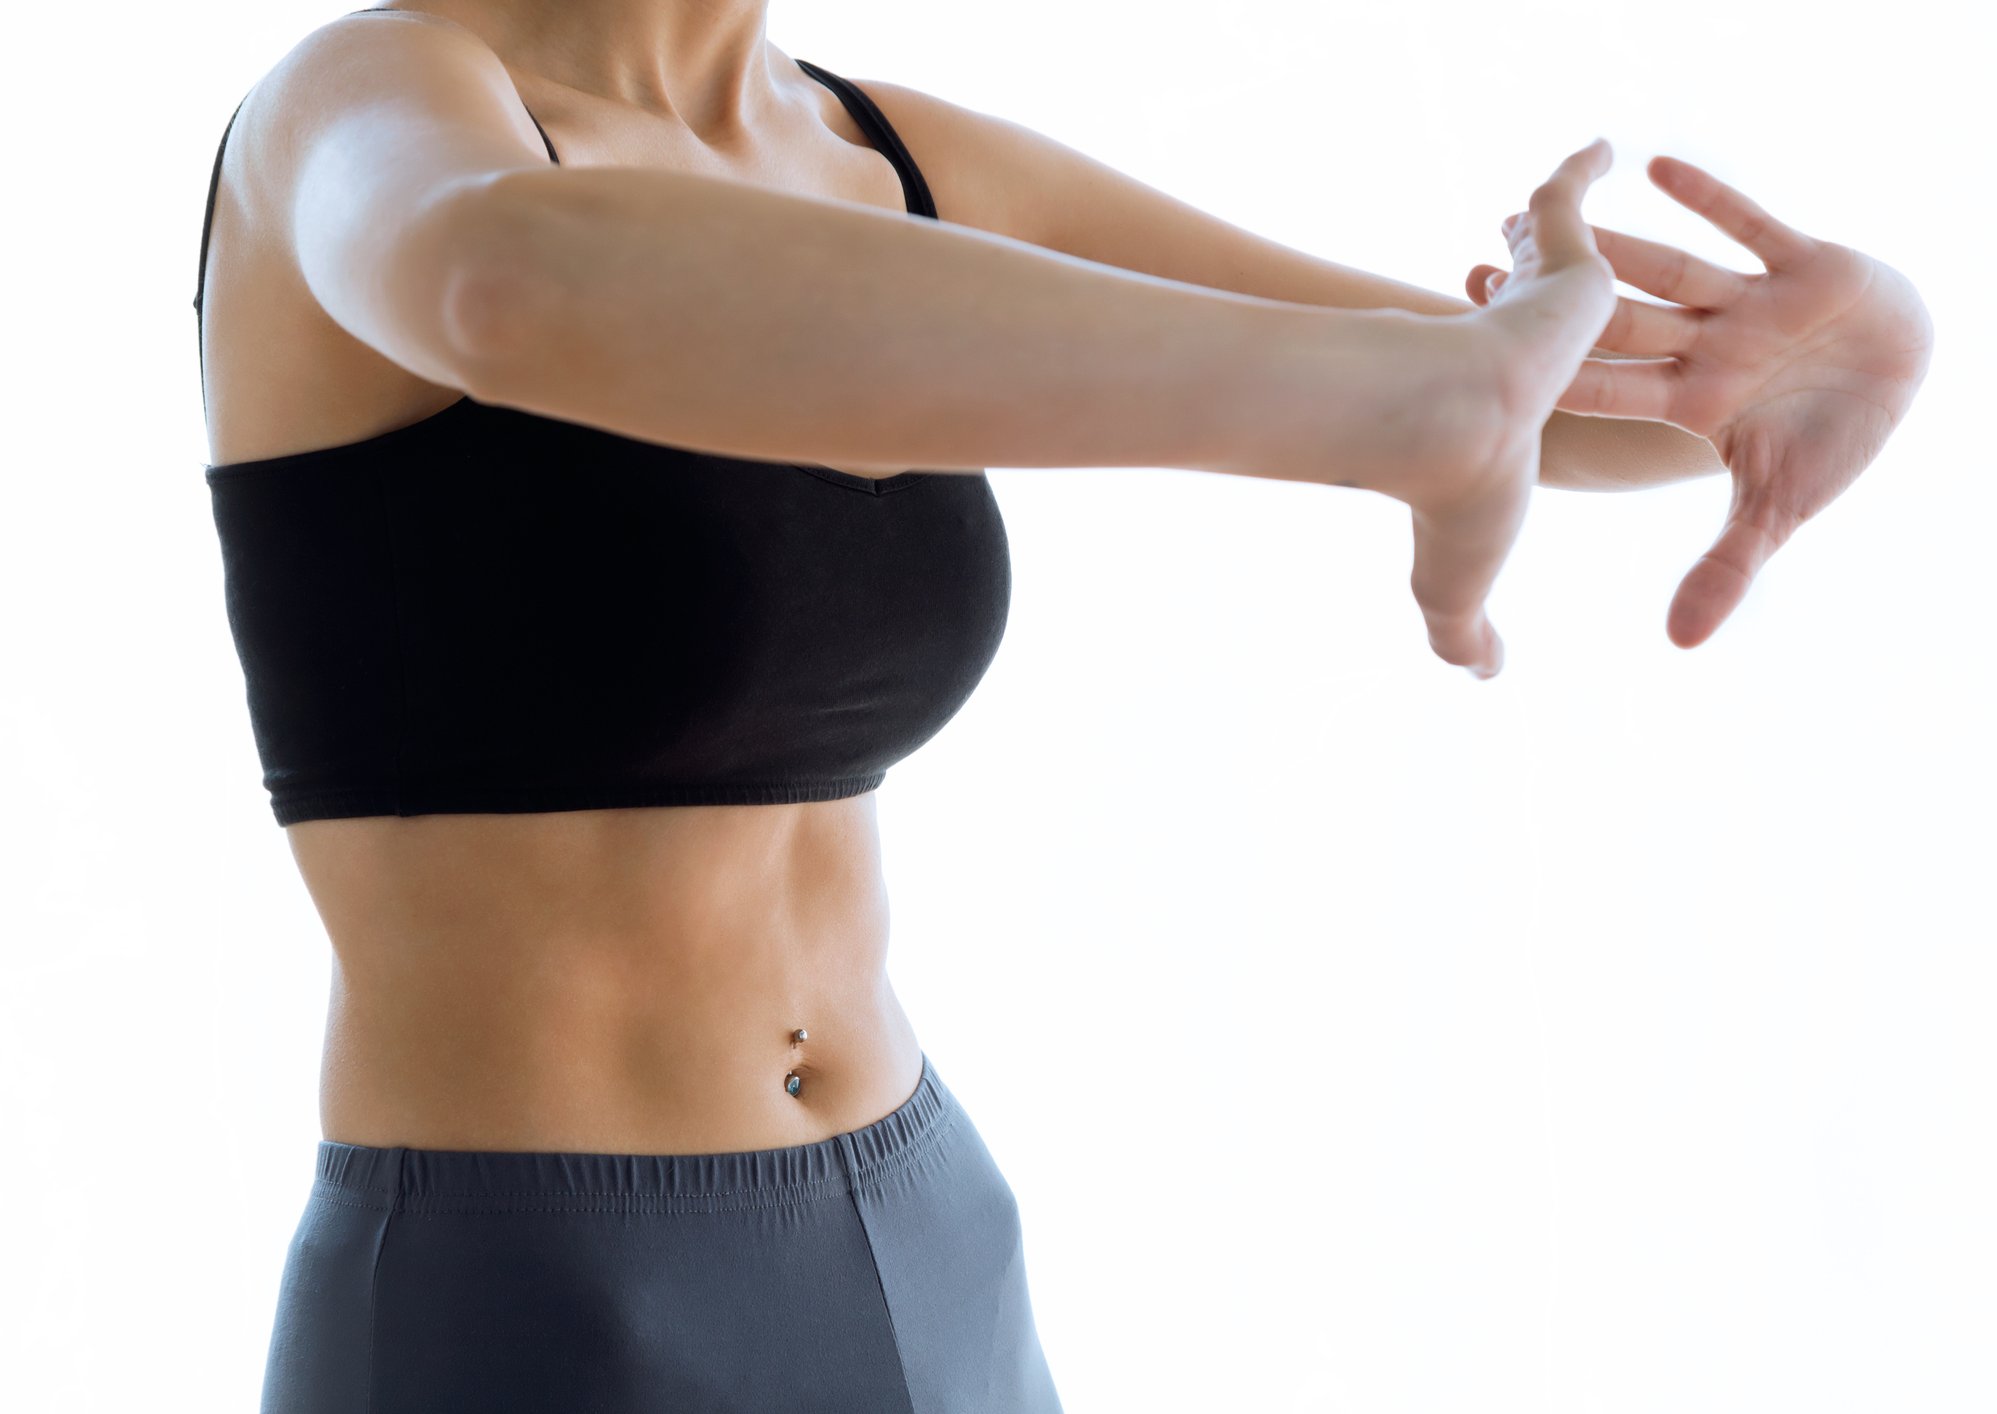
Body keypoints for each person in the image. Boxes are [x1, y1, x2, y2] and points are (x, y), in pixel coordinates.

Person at [194, 3, 1931, 1409]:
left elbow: (1507, 392)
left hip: (925, 1227)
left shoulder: (881, 152)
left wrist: (1789, 375)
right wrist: (1402, 407)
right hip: (538, 1291)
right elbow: (507, 278)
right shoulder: (373, 103)